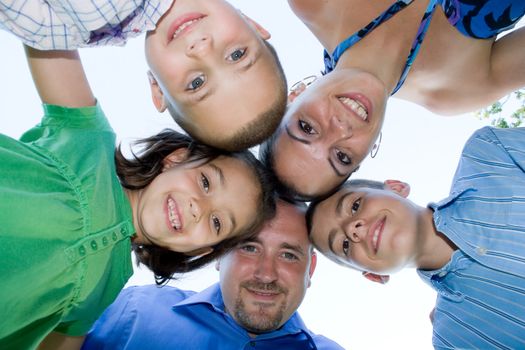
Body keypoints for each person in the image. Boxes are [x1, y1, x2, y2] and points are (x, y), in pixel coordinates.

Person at [0, 44, 275, 350]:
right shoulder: (88, 139)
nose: (199, 208)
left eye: (216, 222)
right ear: (176, 158)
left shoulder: (102, 294)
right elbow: (49, 30)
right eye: (206, 182)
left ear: (201, 249)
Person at [260, 0, 525, 200]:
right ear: (366, 154)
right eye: (341, 157)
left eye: (306, 128)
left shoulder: (314, 4)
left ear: (292, 98)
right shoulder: (456, 91)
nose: (340, 128)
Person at [307, 126, 525, 348]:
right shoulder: (454, 340)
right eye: (344, 245)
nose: (354, 228)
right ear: (374, 275)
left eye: (355, 206)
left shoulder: (490, 152)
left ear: (395, 187)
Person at [0, 0, 288, 151]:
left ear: (157, 89)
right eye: (237, 55)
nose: (202, 50)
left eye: (196, 83)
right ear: (253, 24)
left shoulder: (68, 29)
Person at [82, 200, 344, 349]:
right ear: (219, 255)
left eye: (288, 255)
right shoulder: (135, 311)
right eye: (250, 248)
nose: (266, 274)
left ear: (310, 270)